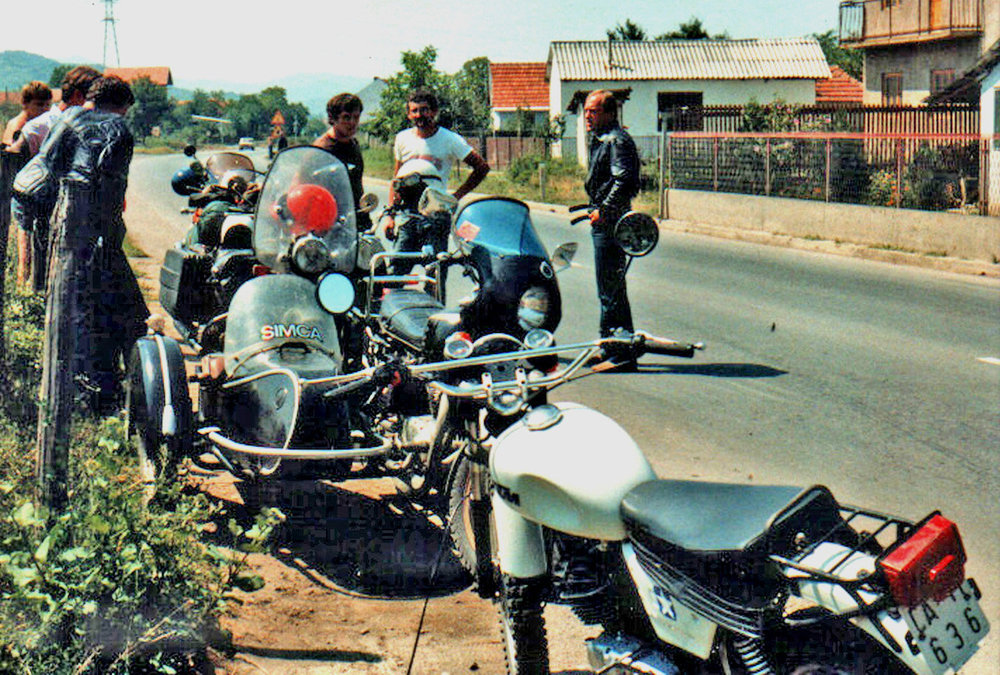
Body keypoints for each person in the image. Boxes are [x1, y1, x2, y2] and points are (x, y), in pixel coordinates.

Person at [28, 74, 147, 415]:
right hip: (99, 237)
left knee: (80, 313)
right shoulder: (118, 130)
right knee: (124, 316)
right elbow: (110, 191)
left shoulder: (68, 119)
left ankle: (89, 396)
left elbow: (41, 176)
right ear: (122, 106)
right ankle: (116, 397)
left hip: (62, 233)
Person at [10, 66, 100, 292]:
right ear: (79, 96)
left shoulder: (46, 123)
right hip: (41, 211)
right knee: (36, 269)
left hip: (56, 211)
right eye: (92, 99)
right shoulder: (43, 126)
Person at [382, 89, 489, 270]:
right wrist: (390, 216)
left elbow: (482, 167)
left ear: (434, 111)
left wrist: (454, 197)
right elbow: (396, 180)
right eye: (414, 111)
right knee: (396, 271)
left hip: (436, 215)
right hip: (408, 214)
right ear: (408, 114)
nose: (419, 115)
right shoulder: (402, 139)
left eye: (424, 110)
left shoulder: (450, 139)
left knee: (436, 274)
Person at [582, 89, 640, 368]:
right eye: (585, 111)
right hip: (605, 219)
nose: (587, 116)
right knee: (608, 286)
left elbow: (624, 180)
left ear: (608, 112)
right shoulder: (604, 139)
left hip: (611, 222)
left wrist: (603, 210)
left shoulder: (617, 140)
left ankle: (621, 351)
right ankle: (610, 346)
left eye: (592, 111)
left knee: (611, 287)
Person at [313, 92, 371, 231]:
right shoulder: (321, 149)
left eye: (356, 117)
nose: (352, 123)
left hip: (356, 220)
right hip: (327, 224)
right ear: (333, 119)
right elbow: (302, 184)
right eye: (346, 117)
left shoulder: (354, 144)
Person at [2, 81, 52, 148]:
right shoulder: (16, 126)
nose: (45, 109)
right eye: (39, 105)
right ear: (25, 103)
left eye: (48, 105)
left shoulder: (43, 124)